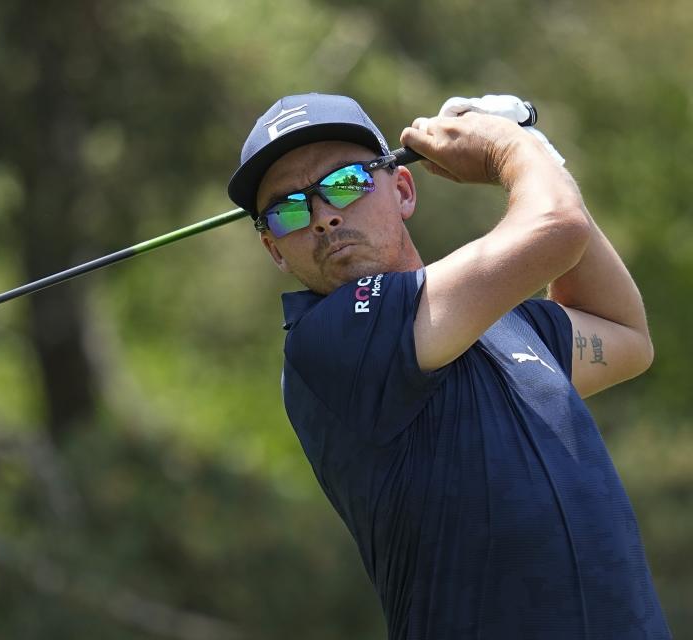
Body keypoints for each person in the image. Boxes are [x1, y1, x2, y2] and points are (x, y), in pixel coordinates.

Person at [227, 93, 672, 639]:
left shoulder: (504, 323)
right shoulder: (328, 342)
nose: (324, 216)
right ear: (275, 250)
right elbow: (558, 225)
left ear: (404, 189)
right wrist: (511, 147)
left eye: (345, 182)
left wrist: (542, 158)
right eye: (290, 208)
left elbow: (624, 335)